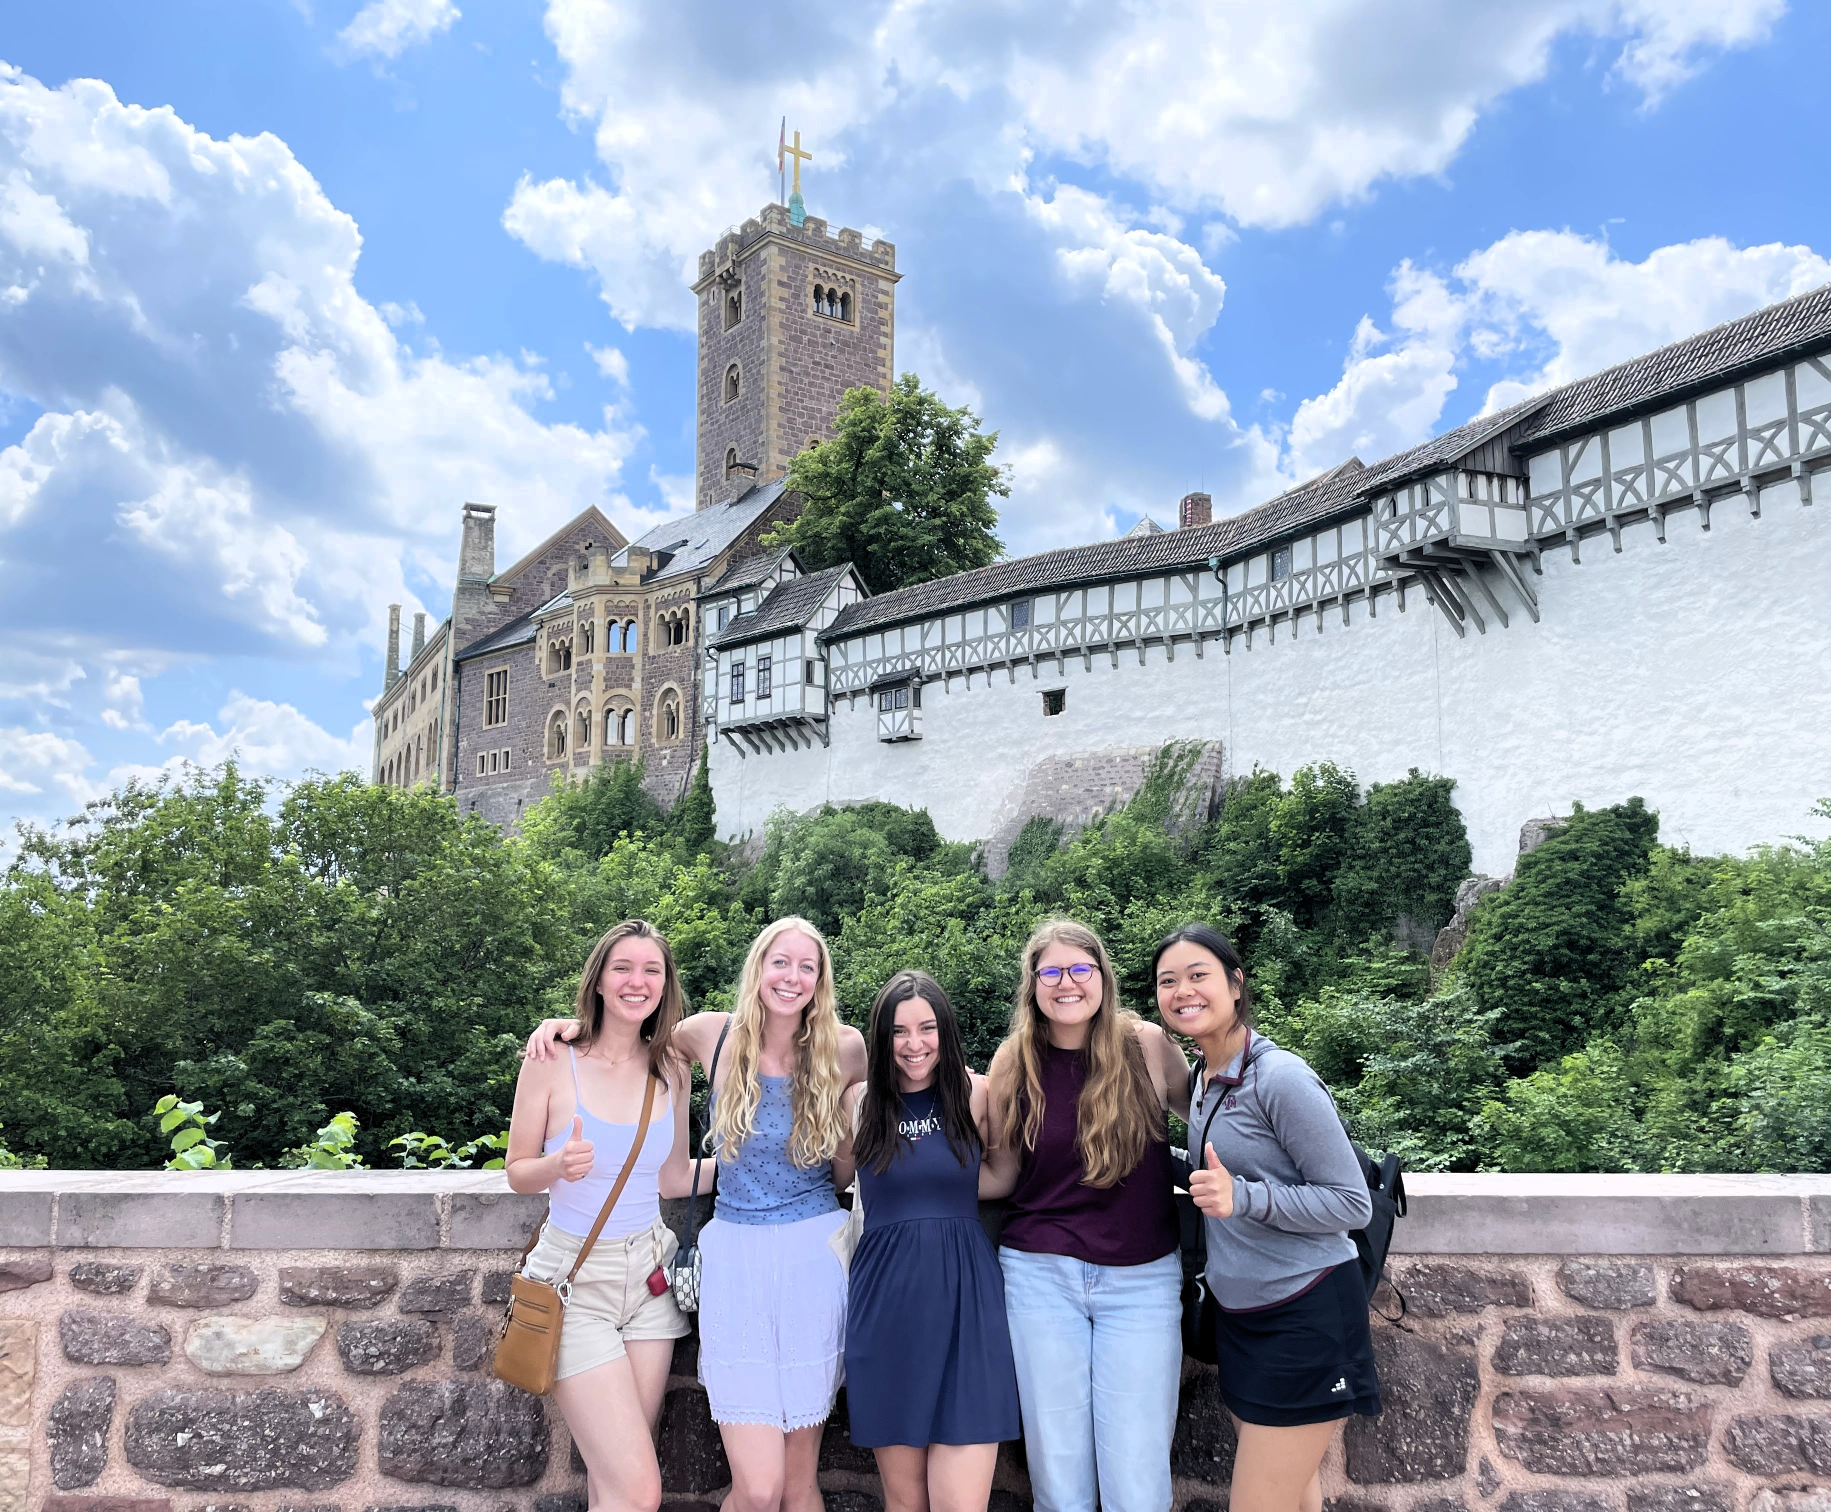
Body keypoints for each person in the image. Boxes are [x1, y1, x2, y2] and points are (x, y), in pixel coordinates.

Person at [525, 916, 867, 1512]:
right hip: (731, 1255)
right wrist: (572, 1027)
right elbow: (635, 1038)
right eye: (778, 962)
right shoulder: (710, 1035)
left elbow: (850, 1158)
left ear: (821, 978)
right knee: (753, 1489)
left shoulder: (845, 1048)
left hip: (814, 1256)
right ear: (757, 967)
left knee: (798, 1485)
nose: (791, 976)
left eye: (806, 966)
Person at [1159, 922, 1379, 1512]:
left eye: (1198, 975)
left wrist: (1244, 1199)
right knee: (1298, 1498)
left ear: (1235, 984)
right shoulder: (1206, 1078)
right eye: (1168, 981)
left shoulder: (1280, 1078)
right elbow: (1218, 1170)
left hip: (1304, 1314)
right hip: (1243, 1319)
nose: (1184, 990)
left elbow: (1350, 1202)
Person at [981, 918, 1192, 1512]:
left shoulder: (1147, 1046)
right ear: (1033, 984)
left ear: (1102, 977)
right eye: (1051, 971)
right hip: (1039, 1274)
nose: (1066, 982)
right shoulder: (1012, 1061)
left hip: (1143, 1277)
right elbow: (999, 1173)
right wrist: (910, 1182)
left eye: (1080, 969)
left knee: (1138, 1475)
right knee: (1058, 1471)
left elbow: (1211, 1115)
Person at [505, 920, 697, 1512]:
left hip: (649, 1279)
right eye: (623, 968)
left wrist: (761, 1171)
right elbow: (516, 1170)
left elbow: (673, 1177)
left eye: (652, 971)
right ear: (599, 978)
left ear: (665, 986)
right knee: (639, 1487)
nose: (636, 982)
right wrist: (557, 1164)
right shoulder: (551, 1058)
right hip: (574, 1280)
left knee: (614, 1480)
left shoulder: (672, 1068)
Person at [835, 970, 1020, 1512]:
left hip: (968, 1302)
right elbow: (840, 1178)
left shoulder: (976, 1092)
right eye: (898, 1031)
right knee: (905, 1500)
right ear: (881, 1038)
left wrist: (940, 1198)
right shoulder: (860, 1102)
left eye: (927, 1028)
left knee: (961, 1503)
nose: (914, 1045)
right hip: (886, 1305)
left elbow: (1002, 1178)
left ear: (946, 1030)